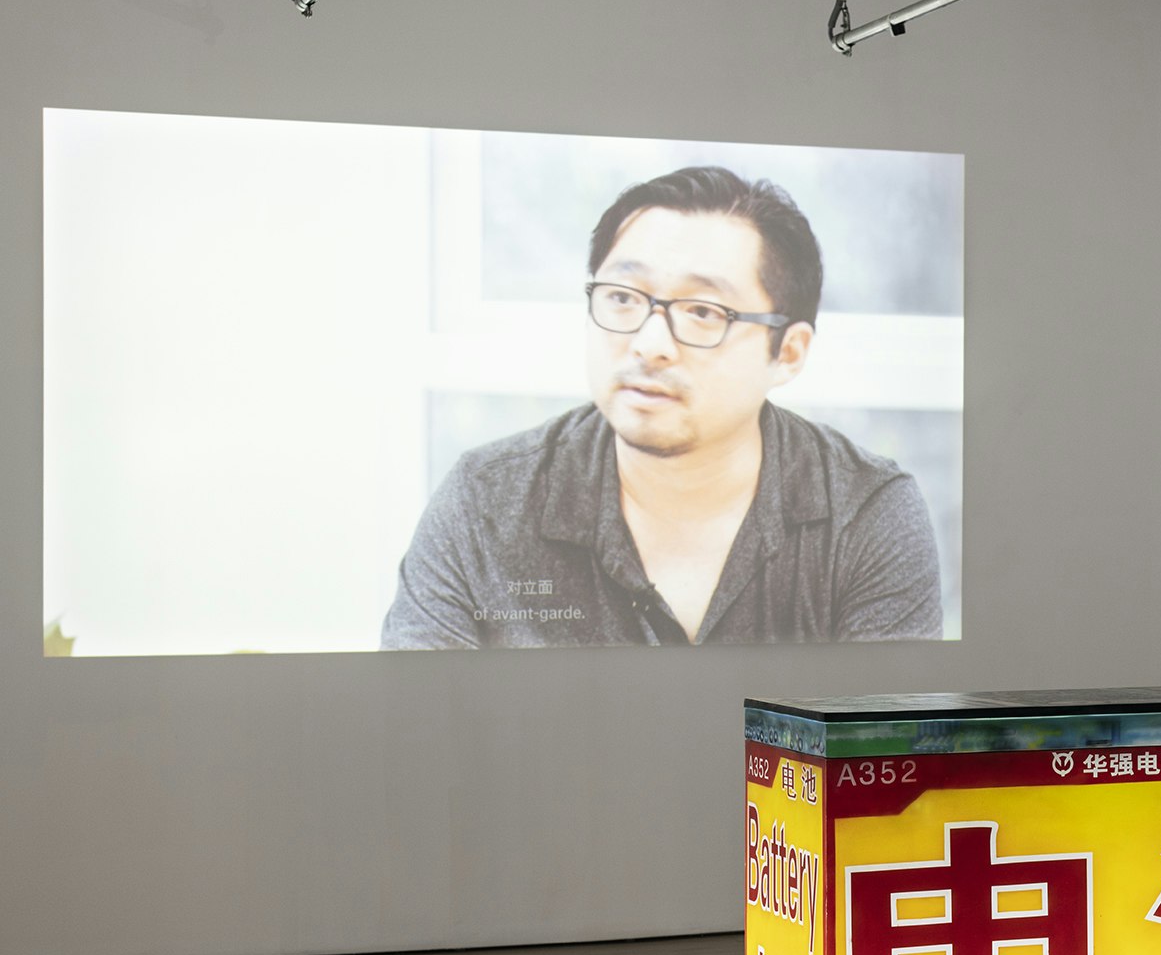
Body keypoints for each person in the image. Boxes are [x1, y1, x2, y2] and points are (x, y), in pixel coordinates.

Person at [381, 166, 942, 648]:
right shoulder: (485, 502)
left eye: (702, 311)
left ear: (787, 353)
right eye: (623, 299)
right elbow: (419, 736)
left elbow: (882, 755)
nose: (650, 343)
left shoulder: (865, 515)